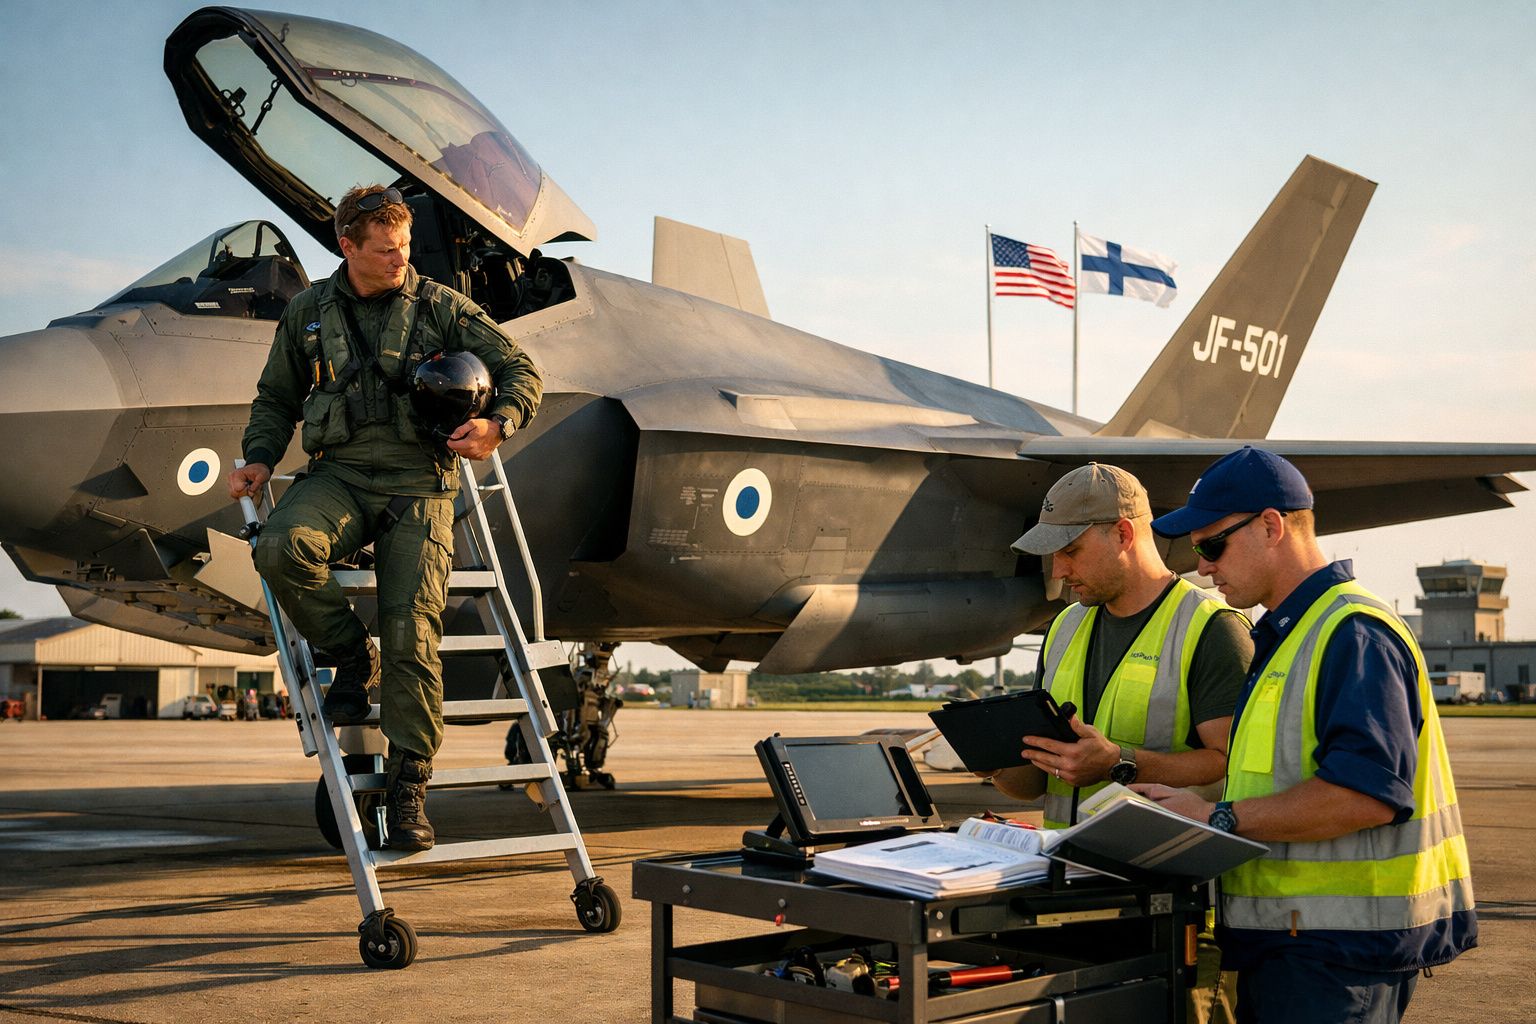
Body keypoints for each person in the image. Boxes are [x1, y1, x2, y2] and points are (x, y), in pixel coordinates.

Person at [227, 184, 542, 851]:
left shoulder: (439, 307)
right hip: (338, 478)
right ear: (348, 247)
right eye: (387, 250)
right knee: (279, 548)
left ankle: (409, 787)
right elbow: (276, 397)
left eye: (404, 247)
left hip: (417, 486)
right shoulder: (309, 314)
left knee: (412, 634)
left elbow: (520, 368)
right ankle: (347, 654)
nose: (402, 258)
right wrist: (258, 458)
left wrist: (497, 423)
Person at [1135, 446, 1476, 1024]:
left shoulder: (1352, 632)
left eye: (1211, 545)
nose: (1202, 568)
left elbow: (1365, 794)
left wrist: (1215, 819)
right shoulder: (1291, 635)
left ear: (1271, 526)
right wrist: (1196, 807)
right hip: (1298, 946)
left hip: (1337, 956)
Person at [985, 463, 1252, 826]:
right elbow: (1034, 783)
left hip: (1156, 871)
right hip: (1069, 871)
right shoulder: (1065, 625)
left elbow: (1231, 764)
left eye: (1070, 551)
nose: (1058, 571)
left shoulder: (1211, 627)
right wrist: (994, 760)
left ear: (1123, 534)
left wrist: (1118, 762)